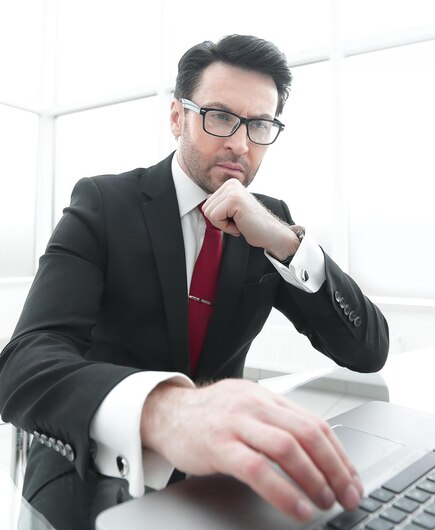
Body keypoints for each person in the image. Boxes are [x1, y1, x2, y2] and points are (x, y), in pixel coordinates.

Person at [0, 34, 389, 526]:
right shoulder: (104, 203)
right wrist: (166, 410)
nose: (240, 143)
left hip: (216, 477)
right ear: (177, 117)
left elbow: (368, 350)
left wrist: (286, 243)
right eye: (221, 116)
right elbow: (24, 364)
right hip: (89, 468)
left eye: (260, 125)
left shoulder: (271, 223)